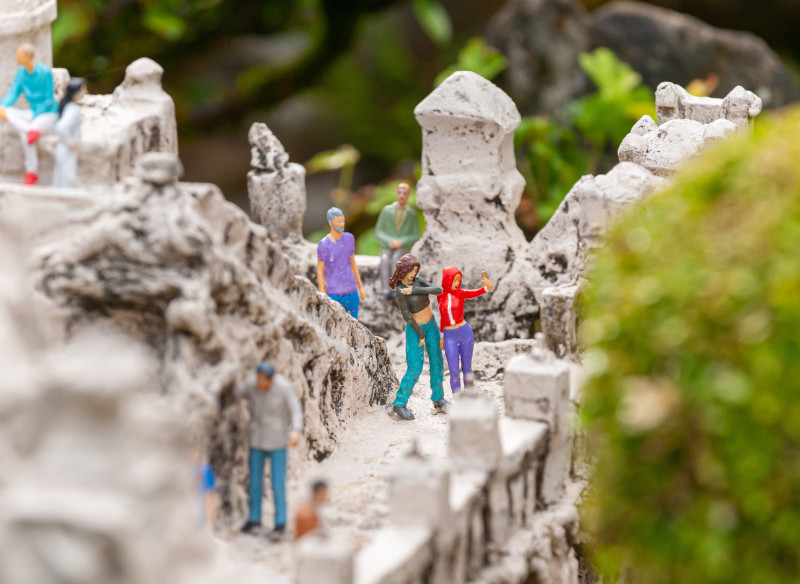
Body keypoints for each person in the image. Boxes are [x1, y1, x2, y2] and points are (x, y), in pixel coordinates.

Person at [235, 361, 304, 540]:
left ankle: (280, 522)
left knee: (277, 484)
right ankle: (254, 519)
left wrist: (296, 429)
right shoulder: (251, 385)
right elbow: (236, 391)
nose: (259, 383)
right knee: (255, 482)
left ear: (271, 378)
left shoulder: (283, 387)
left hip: (277, 441)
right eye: (258, 379)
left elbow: (295, 409)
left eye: (263, 380)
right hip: (256, 440)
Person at [388, 254, 448, 420]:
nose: (413, 274)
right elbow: (406, 315)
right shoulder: (400, 290)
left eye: (415, 270)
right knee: (415, 367)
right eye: (411, 270)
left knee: (437, 361)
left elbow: (437, 290)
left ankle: (438, 398)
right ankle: (399, 403)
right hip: (415, 328)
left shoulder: (418, 281)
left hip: (431, 323)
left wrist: (414, 290)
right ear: (403, 271)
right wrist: (420, 333)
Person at [0, 43, 59, 185]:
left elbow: (48, 99)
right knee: (11, 114)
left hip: (47, 113)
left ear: (27, 56)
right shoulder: (21, 74)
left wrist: (35, 116)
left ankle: (31, 172)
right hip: (32, 113)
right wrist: (2, 106)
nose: (17, 58)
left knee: (26, 134)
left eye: (19, 55)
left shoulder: (44, 72)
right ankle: (30, 129)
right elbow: (13, 93)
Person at [437, 267, 493, 396]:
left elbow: (475, 292)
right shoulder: (440, 296)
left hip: (465, 332)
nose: (457, 283)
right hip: (449, 335)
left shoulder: (461, 293)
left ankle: (469, 394)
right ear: (447, 280)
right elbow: (442, 318)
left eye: (459, 280)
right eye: (454, 280)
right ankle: (457, 396)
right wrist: (442, 336)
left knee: (467, 367)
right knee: (454, 370)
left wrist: (487, 288)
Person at [317, 207, 366, 318]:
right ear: (330, 223)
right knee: (335, 320)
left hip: (351, 290)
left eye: (343, 221)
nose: (341, 224)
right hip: (334, 292)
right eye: (338, 222)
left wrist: (360, 287)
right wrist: (322, 293)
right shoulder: (324, 244)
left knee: (354, 320)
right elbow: (320, 270)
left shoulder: (349, 238)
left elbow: (353, 263)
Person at [375, 183, 421, 300]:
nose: (401, 196)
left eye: (404, 193)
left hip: (402, 248)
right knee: (384, 259)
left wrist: (402, 242)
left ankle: (396, 288)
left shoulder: (411, 214)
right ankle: (385, 290)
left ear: (408, 195)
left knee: (397, 259)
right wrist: (388, 241)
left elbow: (415, 235)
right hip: (387, 246)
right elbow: (378, 231)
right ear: (396, 193)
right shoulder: (387, 211)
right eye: (399, 193)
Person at [52, 78, 86, 188]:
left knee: (62, 177)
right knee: (67, 178)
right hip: (67, 148)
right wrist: (70, 141)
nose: (85, 92)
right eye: (83, 89)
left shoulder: (69, 107)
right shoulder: (72, 109)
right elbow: (61, 127)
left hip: (64, 148)